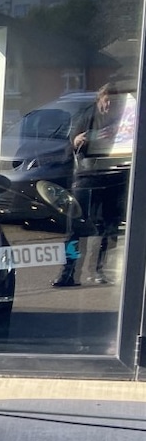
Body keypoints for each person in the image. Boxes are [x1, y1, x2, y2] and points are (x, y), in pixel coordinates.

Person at [52, 81, 135, 287]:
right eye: (107, 102)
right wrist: (78, 140)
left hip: (114, 177)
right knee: (76, 227)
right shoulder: (85, 116)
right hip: (86, 177)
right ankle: (67, 272)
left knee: (109, 226)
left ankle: (99, 270)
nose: (109, 107)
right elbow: (69, 145)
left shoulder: (125, 118)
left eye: (114, 103)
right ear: (99, 99)